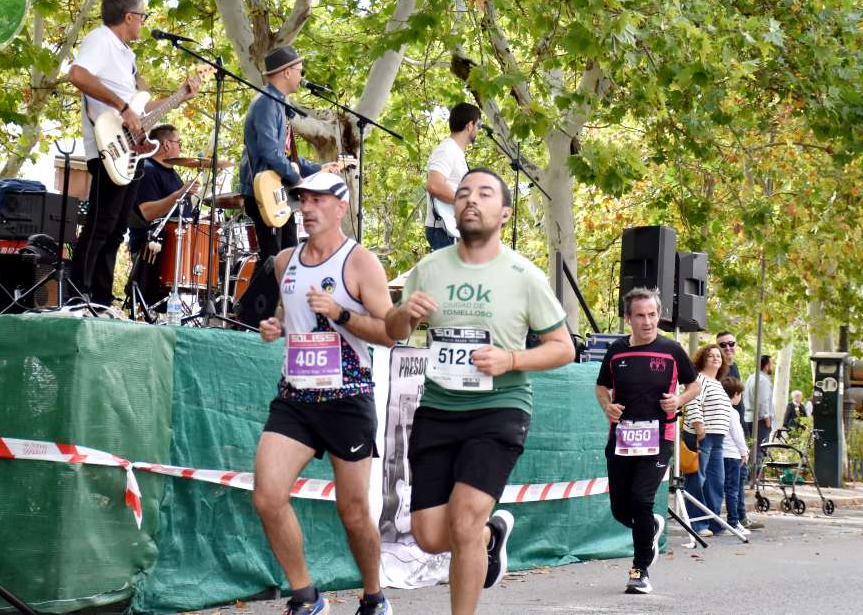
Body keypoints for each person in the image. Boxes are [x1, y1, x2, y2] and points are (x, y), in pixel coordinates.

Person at [384, 168, 575, 615]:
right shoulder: (428, 269)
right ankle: (492, 536)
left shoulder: (523, 275)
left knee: (465, 520)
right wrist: (404, 313)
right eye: (463, 192)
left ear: (504, 212)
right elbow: (392, 331)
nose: (471, 199)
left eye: (485, 193)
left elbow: (562, 348)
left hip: (499, 407)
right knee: (432, 535)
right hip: (437, 408)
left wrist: (511, 359)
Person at [251, 172, 397, 615]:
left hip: (347, 398)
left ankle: (374, 597)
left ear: (340, 206)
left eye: (317, 200)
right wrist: (274, 326)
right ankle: (306, 597)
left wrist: (340, 314)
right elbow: (285, 310)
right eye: (302, 201)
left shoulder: (360, 263)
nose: (307, 209)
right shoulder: (284, 261)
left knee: (352, 512)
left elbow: (390, 332)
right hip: (295, 397)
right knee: (267, 495)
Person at [68, 0, 201, 306]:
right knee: (101, 225)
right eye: (142, 16)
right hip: (107, 148)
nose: (144, 22)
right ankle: (76, 296)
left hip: (128, 152)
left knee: (115, 230)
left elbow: (140, 110)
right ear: (128, 16)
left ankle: (98, 299)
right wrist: (122, 107)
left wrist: (180, 94)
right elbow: (77, 74)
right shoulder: (101, 39)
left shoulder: (127, 56)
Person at [594, 287, 699, 594]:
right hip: (622, 438)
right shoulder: (616, 351)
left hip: (659, 436)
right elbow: (601, 387)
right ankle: (650, 527)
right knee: (620, 510)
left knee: (642, 499)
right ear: (628, 318)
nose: (647, 321)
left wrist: (678, 400)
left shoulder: (672, 350)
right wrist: (607, 406)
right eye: (640, 315)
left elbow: (694, 385)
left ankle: (640, 570)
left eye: (652, 314)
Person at [239, 45, 328, 261]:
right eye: (300, 70)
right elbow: (270, 152)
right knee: (273, 262)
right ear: (287, 72)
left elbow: (285, 154)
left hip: (278, 191)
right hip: (263, 192)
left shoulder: (279, 103)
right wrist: (297, 179)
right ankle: (252, 296)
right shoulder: (267, 103)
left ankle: (272, 296)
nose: (302, 75)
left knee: (287, 259)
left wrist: (319, 168)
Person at [125, 124, 200, 315]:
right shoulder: (147, 170)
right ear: (166, 144)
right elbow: (147, 212)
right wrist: (180, 193)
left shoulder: (173, 174)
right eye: (178, 143)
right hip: (153, 251)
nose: (181, 147)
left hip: (178, 248)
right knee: (155, 307)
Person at [682, 344, 732, 536]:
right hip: (702, 436)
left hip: (717, 439)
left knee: (716, 481)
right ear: (703, 359)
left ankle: (715, 523)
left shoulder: (718, 382)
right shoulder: (699, 379)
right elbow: (693, 402)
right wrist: (699, 428)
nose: (715, 358)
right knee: (697, 479)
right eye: (710, 356)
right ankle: (699, 524)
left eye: (718, 356)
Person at [423, 102, 480, 251]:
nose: (478, 130)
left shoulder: (455, 151)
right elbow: (434, 185)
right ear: (469, 125)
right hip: (443, 231)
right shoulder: (447, 150)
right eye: (478, 126)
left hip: (451, 229)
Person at [720, 376, 750, 536]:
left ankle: (729, 520)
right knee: (733, 490)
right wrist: (744, 451)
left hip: (721, 454)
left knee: (724, 489)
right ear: (735, 394)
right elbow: (738, 435)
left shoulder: (720, 410)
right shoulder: (732, 413)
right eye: (740, 394)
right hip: (733, 455)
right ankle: (733, 521)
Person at [743, 354, 774, 466]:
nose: (773, 366)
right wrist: (767, 419)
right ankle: (754, 478)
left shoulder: (751, 377)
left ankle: (749, 477)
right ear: (766, 366)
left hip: (749, 418)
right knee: (758, 451)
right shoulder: (763, 380)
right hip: (759, 421)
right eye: (772, 364)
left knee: (751, 449)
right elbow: (763, 401)